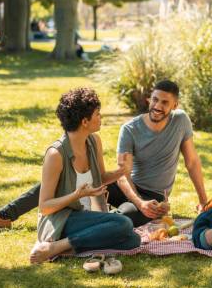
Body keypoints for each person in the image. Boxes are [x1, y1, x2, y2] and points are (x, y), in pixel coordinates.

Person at [0, 80, 208, 230]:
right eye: (155, 99)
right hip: (128, 188)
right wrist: (138, 201)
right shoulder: (131, 129)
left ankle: (97, 219)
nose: (157, 106)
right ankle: (5, 215)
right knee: (56, 181)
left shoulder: (181, 121)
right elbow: (122, 176)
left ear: (174, 105)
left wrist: (203, 201)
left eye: (165, 102)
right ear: (149, 99)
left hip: (154, 194)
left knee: (127, 218)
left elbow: (192, 162)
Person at [29, 88, 140, 264]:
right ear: (85, 121)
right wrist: (77, 195)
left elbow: (101, 177)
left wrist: (121, 172)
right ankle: (56, 247)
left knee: (133, 240)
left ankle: (69, 247)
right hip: (60, 220)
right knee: (124, 224)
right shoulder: (56, 155)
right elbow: (45, 207)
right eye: (97, 114)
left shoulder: (94, 141)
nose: (101, 117)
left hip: (84, 216)